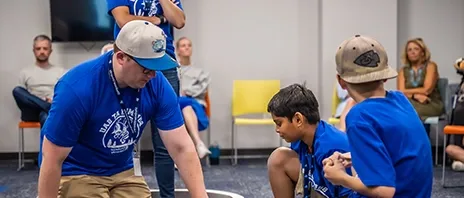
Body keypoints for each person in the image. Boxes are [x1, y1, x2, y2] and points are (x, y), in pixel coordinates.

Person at [37, 20, 207, 198]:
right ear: (120, 58)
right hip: (77, 171)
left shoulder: (156, 83)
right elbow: (52, 159)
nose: (153, 75)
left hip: (122, 170)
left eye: (157, 67)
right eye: (147, 68)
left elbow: (181, 148)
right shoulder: (77, 88)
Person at [323, 35, 433, 198]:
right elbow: (398, 152)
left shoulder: (358, 117)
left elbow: (385, 191)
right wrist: (351, 156)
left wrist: (341, 178)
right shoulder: (400, 99)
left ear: (341, 81)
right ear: (386, 76)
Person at [106, 1, 186, 196]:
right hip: (130, 59)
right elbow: (123, 20)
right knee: (120, 133)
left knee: (166, 141)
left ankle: (168, 196)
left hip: (164, 62)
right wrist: (156, 20)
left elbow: (179, 21)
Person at [266, 83, 354, 198]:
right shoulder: (301, 137)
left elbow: (349, 193)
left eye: (279, 123)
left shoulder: (331, 149)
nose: (277, 130)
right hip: (320, 186)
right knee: (278, 158)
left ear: (298, 120)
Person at [12, 35, 66, 128]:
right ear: (34, 50)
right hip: (32, 111)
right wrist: (46, 104)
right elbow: (22, 97)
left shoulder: (60, 71)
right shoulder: (25, 72)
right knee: (17, 90)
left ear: (50, 51)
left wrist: (53, 101)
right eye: (38, 48)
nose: (42, 51)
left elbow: (65, 94)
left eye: (45, 48)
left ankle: (48, 108)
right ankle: (47, 106)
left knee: (46, 116)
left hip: (51, 109)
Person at [397, 37, 444, 136]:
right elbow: (400, 91)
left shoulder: (431, 66)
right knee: (399, 109)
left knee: (408, 111)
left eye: (416, 49)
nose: (412, 52)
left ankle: (420, 144)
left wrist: (409, 92)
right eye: (409, 50)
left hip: (429, 102)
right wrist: (415, 95)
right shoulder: (403, 70)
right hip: (411, 101)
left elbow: (427, 90)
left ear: (422, 52)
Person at [177, 37, 211, 158]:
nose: (186, 47)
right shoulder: (173, 71)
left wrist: (186, 91)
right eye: (183, 45)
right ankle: (198, 144)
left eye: (189, 45)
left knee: (185, 104)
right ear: (177, 50)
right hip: (178, 105)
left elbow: (203, 89)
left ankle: (180, 157)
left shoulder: (200, 72)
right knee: (183, 106)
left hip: (196, 105)